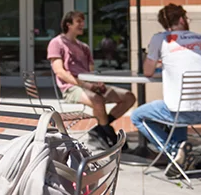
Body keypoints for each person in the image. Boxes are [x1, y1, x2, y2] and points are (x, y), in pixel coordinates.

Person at [131, 3, 201, 177]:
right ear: (181, 19)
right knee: (177, 109)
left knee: (137, 116)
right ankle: (180, 155)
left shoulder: (161, 39)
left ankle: (173, 150)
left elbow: (147, 71)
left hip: (181, 111)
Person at [47, 11, 136, 148]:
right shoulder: (57, 43)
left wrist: (97, 82)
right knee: (97, 100)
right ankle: (110, 135)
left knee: (129, 97)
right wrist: (85, 85)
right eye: (78, 21)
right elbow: (59, 72)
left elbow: (92, 71)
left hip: (90, 86)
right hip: (71, 87)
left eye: (83, 21)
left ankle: (99, 129)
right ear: (68, 24)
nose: (83, 24)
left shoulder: (84, 47)